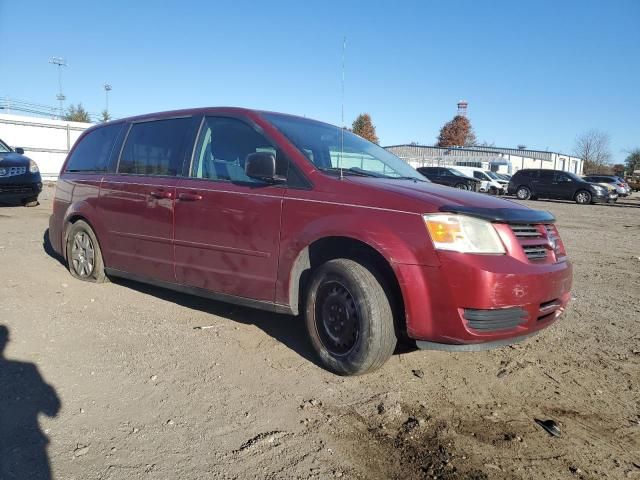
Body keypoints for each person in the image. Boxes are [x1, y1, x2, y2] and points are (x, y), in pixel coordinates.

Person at [0, 325, 60, 479]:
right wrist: (47, 389)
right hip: (28, 451)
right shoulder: (28, 369)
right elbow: (52, 410)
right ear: (7, 342)